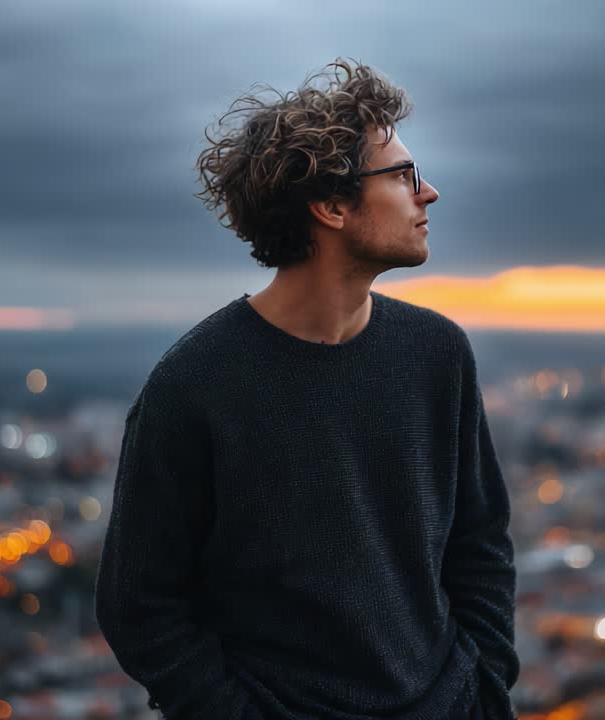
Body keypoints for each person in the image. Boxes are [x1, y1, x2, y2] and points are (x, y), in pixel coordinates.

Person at [94, 58, 518, 720]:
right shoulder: (195, 385)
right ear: (331, 205)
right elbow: (139, 605)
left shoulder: (439, 354)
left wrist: (483, 688)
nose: (428, 192)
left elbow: (481, 543)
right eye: (402, 175)